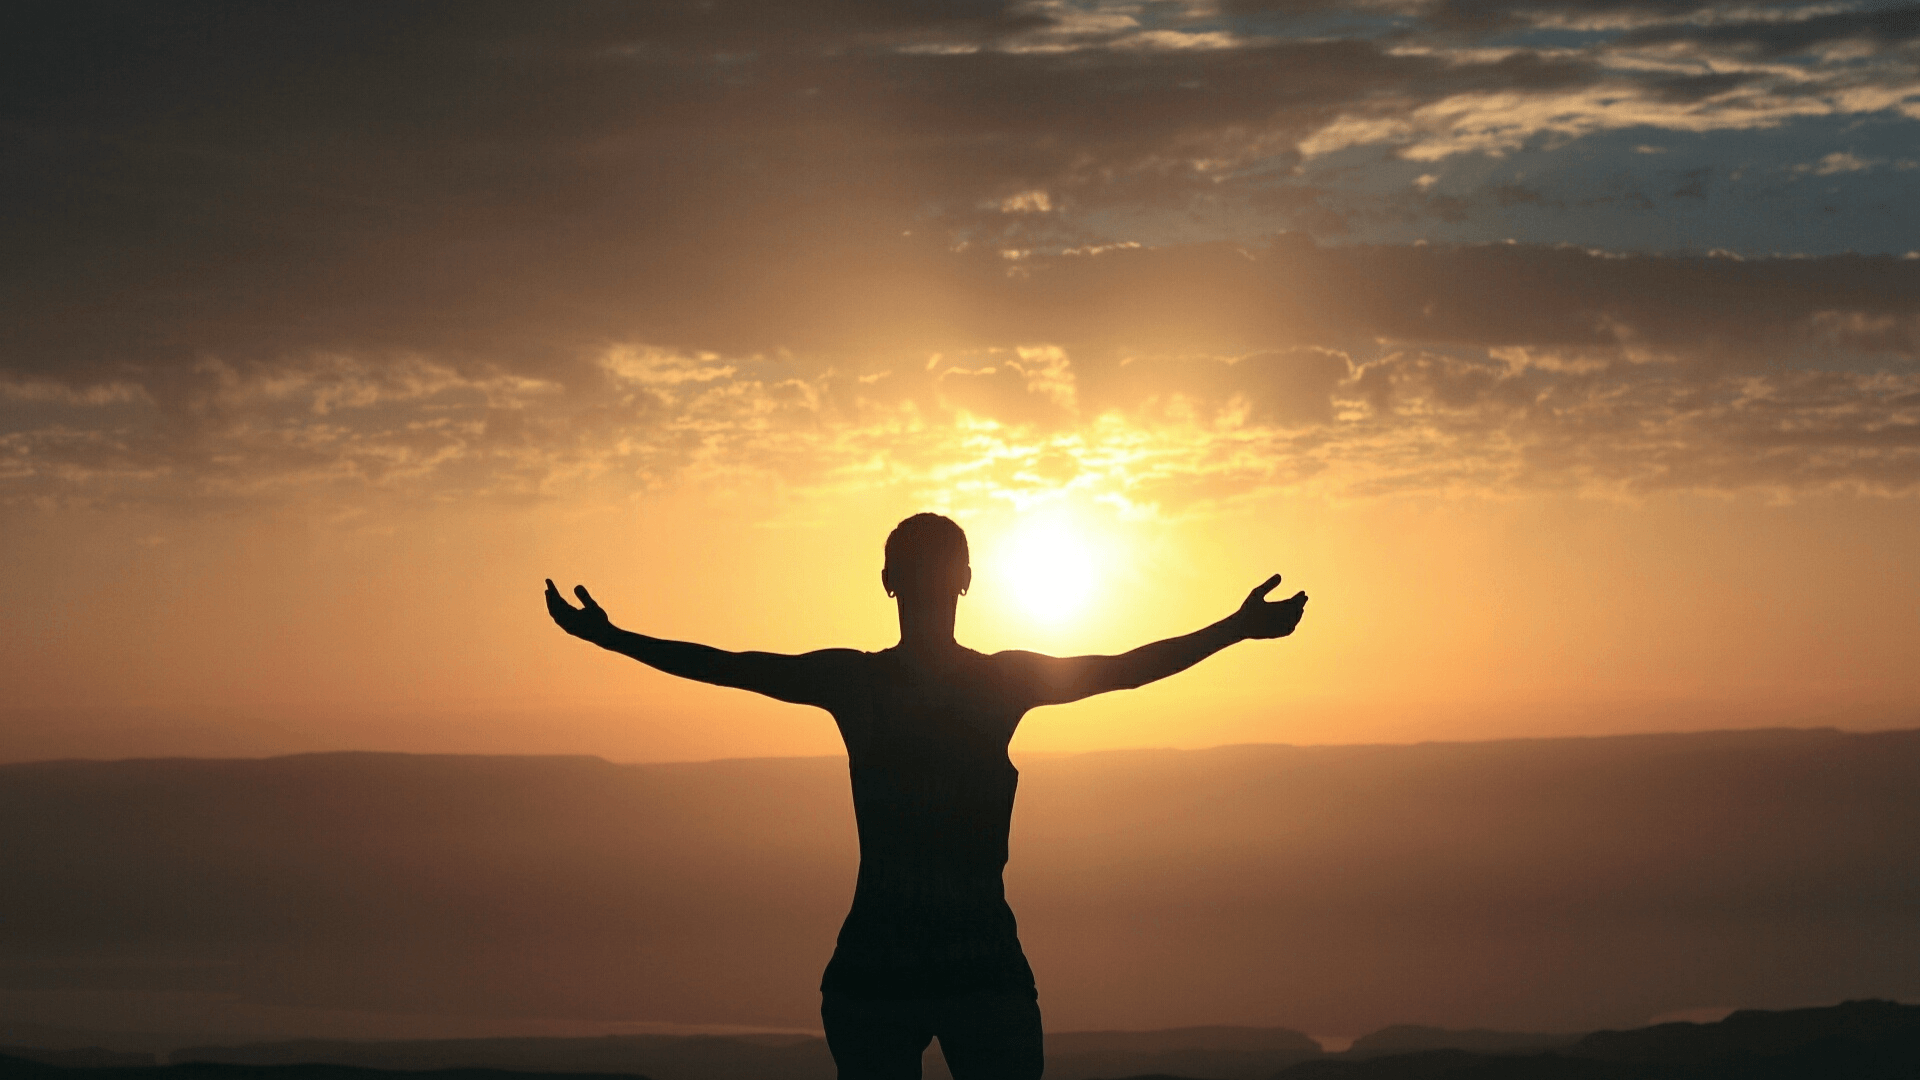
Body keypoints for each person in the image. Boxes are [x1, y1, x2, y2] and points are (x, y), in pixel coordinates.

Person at [545, 512, 1308, 1080]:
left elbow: (731, 666)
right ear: (966, 581)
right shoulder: (996, 683)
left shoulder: (860, 683)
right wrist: (1233, 629)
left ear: (887, 582)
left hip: (882, 965)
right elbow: (1126, 667)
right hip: (972, 963)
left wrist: (613, 639)